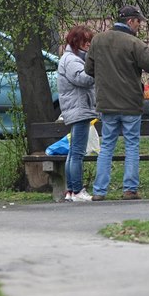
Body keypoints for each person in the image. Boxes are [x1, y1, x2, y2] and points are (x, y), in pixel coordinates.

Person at [85, 5, 149, 201]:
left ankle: (99, 191)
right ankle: (129, 189)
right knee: (132, 145)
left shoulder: (98, 40)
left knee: (107, 146)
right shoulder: (134, 43)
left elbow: (89, 69)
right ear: (130, 21)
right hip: (130, 103)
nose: (140, 25)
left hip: (106, 103)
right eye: (139, 21)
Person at [57, 25, 97, 202]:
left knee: (73, 152)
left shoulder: (73, 58)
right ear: (75, 42)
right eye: (85, 41)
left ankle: (70, 191)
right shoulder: (72, 60)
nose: (88, 44)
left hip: (77, 108)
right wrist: (98, 71)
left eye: (90, 41)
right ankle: (78, 190)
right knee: (78, 153)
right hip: (79, 109)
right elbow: (82, 79)